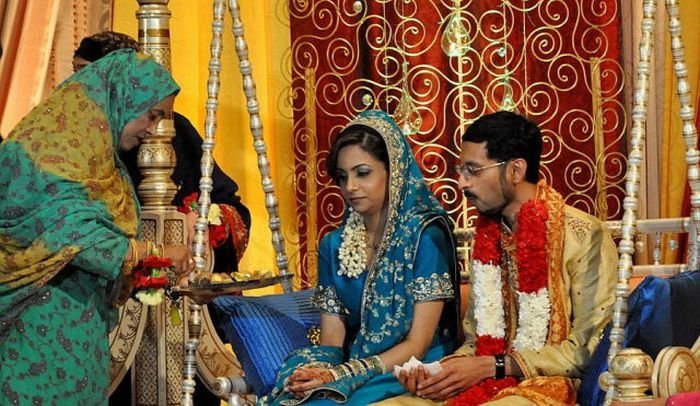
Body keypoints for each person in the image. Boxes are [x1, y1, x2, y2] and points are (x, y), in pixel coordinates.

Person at [379, 111, 618, 405]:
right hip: (487, 381)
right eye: (461, 170)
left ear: (515, 171)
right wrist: (443, 372)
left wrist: (496, 365)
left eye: (473, 170)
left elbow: (589, 350)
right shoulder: (489, 237)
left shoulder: (584, 235)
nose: (462, 184)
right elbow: (475, 342)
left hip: (552, 385)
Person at [0, 50, 191, 404]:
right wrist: (157, 253)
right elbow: (74, 234)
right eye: (151, 116)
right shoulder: (43, 152)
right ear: (120, 97)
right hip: (33, 331)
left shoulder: (99, 160)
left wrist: (142, 274)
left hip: (80, 330)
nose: (153, 131)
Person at [259, 110, 460, 405]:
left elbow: (419, 342)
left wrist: (349, 373)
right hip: (355, 364)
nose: (350, 187)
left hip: (410, 365)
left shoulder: (424, 236)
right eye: (343, 176)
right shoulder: (334, 245)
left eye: (362, 173)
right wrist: (317, 372)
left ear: (393, 172)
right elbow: (331, 340)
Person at [73, 31, 251, 274]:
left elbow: (232, 209)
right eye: (76, 73)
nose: (77, 86)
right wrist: (151, 252)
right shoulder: (68, 145)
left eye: (88, 74)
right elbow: (68, 238)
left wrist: (199, 220)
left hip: (180, 284)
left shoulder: (173, 133)